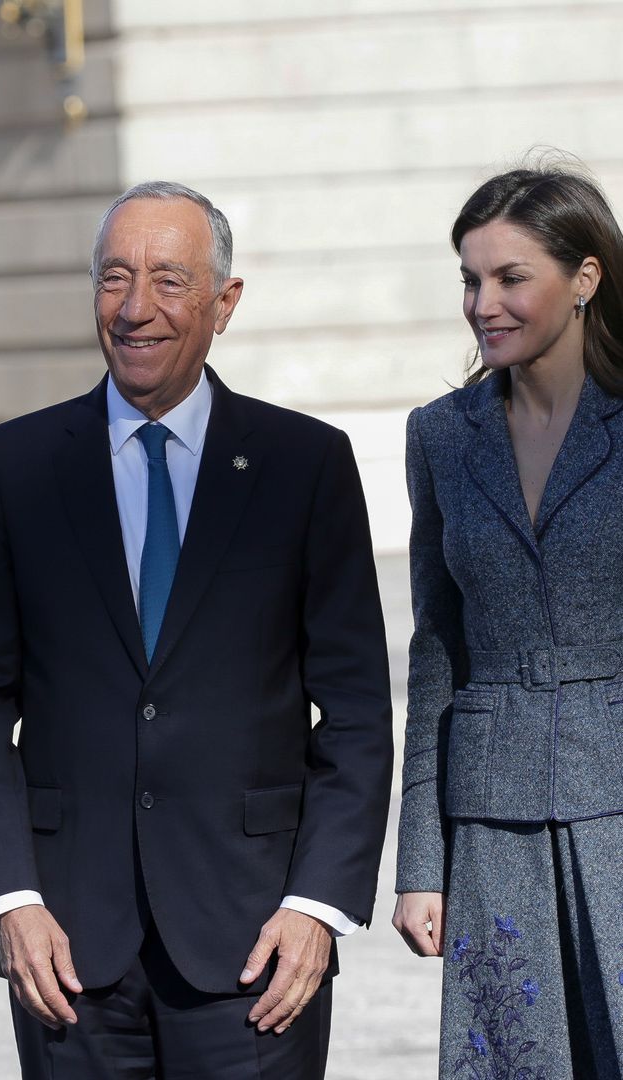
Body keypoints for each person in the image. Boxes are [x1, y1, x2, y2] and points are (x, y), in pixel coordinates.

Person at [0, 180, 393, 1079]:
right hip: (66, 949)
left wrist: (317, 906)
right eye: (114, 277)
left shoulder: (305, 465)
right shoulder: (18, 464)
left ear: (225, 304)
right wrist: (11, 897)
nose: (136, 307)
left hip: (257, 947)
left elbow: (356, 715)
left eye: (169, 280)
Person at [392, 162, 623, 1078]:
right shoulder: (443, 436)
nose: (483, 302)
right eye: (470, 278)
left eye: (510, 277)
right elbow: (435, 650)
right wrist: (421, 858)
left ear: (586, 277)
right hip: (492, 823)